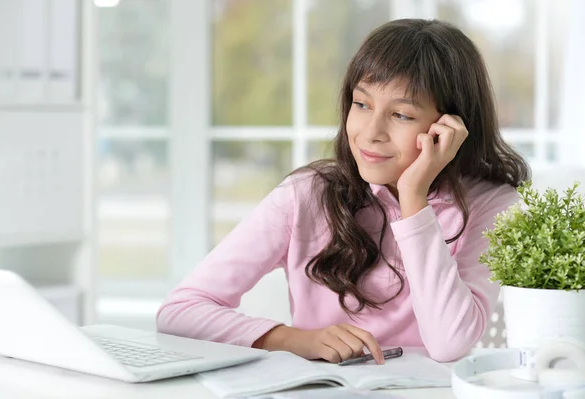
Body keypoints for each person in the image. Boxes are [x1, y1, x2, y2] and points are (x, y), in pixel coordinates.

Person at [156, 18, 530, 364]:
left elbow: (450, 343)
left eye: (401, 114)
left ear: (450, 127)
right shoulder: (306, 195)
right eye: (362, 104)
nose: (371, 132)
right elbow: (180, 311)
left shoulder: (492, 204)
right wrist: (291, 339)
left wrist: (414, 199)